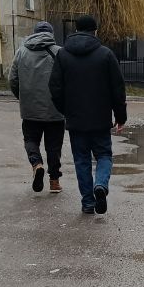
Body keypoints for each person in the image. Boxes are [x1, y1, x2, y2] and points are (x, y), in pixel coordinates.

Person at [48, 14, 127, 215]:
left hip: (76, 120)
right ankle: (100, 185)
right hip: (100, 120)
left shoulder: (63, 55)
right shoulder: (106, 55)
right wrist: (120, 116)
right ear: (95, 31)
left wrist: (66, 110)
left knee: (81, 160)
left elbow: (54, 87)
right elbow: (117, 89)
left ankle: (88, 203)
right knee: (104, 155)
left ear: (76, 30)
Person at [8, 21, 64, 194]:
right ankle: (54, 182)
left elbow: (13, 79)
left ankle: (36, 163)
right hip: (55, 110)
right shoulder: (60, 52)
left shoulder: (21, 52)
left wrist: (23, 97)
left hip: (30, 109)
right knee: (54, 147)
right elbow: (68, 79)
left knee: (31, 140)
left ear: (34, 33)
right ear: (51, 34)